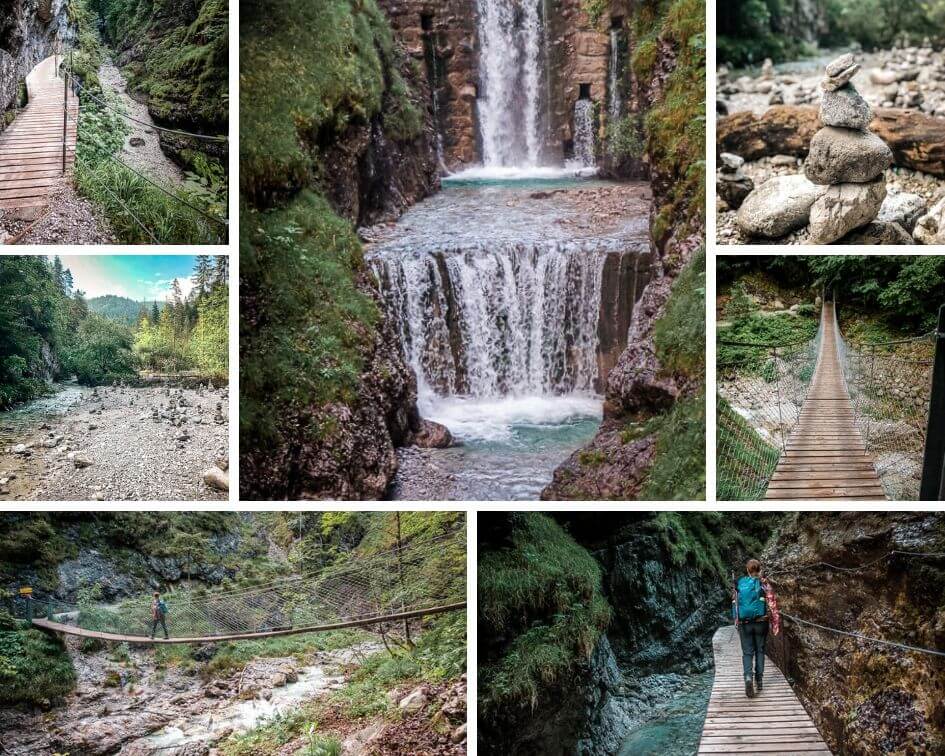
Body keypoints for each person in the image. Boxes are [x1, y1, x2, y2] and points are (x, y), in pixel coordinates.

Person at [733, 559, 768, 698]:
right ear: (759, 569)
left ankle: (748, 677)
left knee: (747, 653)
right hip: (761, 622)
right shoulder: (764, 583)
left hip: (745, 623)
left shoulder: (740, 584)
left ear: (747, 570)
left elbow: (735, 603)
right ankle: (759, 681)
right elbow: (771, 601)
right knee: (760, 650)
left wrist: (736, 621)